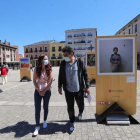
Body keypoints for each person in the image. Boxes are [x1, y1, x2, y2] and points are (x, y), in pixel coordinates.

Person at [58, 46, 90, 132]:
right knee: (70, 107)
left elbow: (85, 74)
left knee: (81, 105)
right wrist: (59, 86)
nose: (64, 56)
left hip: (78, 90)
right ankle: (72, 121)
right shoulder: (63, 63)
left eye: (66, 55)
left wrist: (87, 86)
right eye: (63, 55)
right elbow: (60, 75)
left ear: (71, 54)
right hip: (68, 90)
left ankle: (80, 112)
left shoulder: (79, 62)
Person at [32, 54, 53, 136]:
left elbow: (50, 82)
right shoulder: (36, 69)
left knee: (45, 106)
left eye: (47, 59)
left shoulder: (49, 69)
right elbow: (34, 81)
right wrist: (38, 90)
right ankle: (37, 126)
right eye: (45, 59)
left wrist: (44, 91)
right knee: (37, 108)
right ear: (41, 60)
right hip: (38, 91)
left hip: (47, 91)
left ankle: (44, 120)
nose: (46, 60)